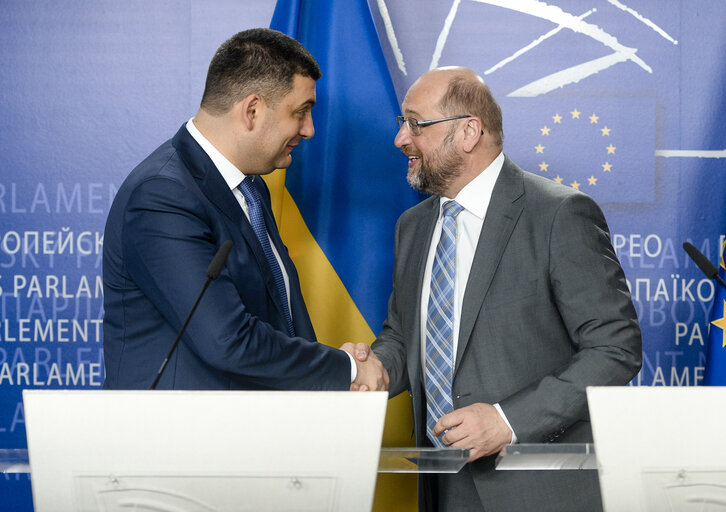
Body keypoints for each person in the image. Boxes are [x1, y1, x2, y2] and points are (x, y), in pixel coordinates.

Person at [365, 67, 642, 511]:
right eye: (403, 124)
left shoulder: (558, 214)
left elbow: (615, 349)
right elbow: (403, 336)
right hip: (440, 488)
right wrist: (370, 368)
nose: (402, 139)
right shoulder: (412, 227)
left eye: (415, 123)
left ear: (469, 131)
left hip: (537, 491)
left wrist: (507, 421)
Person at [102, 28, 386, 392]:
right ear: (252, 110)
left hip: (255, 437)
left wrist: (329, 372)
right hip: (180, 442)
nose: (310, 130)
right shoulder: (162, 196)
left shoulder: (251, 189)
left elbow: (280, 318)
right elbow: (227, 340)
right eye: (301, 112)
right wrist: (344, 369)